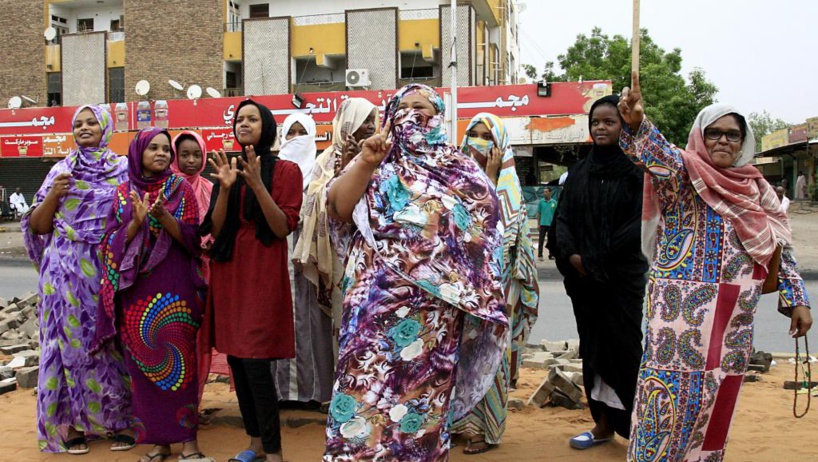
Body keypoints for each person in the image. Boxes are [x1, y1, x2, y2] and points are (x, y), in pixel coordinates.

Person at [619, 72, 813, 461]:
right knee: (668, 405)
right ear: (700, 136)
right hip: (679, 323)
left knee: (716, 405)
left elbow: (778, 249)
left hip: (733, 320)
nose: (723, 140)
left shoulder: (759, 190)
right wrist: (638, 123)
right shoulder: (682, 173)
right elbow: (652, 153)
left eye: (733, 134)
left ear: (744, 143)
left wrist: (797, 299)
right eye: (714, 132)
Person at [323, 84, 508, 461]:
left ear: (438, 116)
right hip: (372, 314)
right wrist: (366, 163)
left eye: (420, 107)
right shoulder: (376, 161)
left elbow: (483, 237)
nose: (411, 114)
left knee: (418, 408)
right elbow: (339, 208)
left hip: (431, 321)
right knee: (362, 403)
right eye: (402, 107)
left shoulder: (462, 173)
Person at [22, 105, 133, 455]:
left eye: (91, 123)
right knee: (64, 346)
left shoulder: (124, 170)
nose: (84, 128)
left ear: (106, 128)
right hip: (64, 273)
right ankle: (71, 428)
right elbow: (38, 225)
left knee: (109, 343)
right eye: (78, 124)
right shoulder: (61, 170)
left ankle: (118, 421)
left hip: (107, 269)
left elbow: (135, 218)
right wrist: (55, 194)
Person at [94, 128, 210, 462]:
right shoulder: (122, 193)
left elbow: (192, 240)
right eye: (154, 149)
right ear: (138, 152)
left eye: (165, 150)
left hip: (174, 291)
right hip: (136, 294)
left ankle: (189, 443)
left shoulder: (181, 189)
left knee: (181, 365)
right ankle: (159, 443)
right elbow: (108, 245)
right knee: (143, 370)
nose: (161, 154)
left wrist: (162, 217)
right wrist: (135, 223)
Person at [200, 99, 303, 462]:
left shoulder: (287, 170)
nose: (243, 124)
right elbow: (215, 227)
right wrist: (226, 188)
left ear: (267, 126)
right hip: (230, 271)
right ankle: (255, 445)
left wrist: (258, 184)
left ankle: (274, 453)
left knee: (257, 361)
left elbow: (281, 227)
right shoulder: (225, 167)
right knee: (239, 362)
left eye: (252, 119)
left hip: (261, 268)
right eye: (239, 119)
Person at [555, 95, 648, 450]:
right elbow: (563, 219)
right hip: (584, 283)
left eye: (609, 122)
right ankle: (603, 425)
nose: (601, 127)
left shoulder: (637, 172)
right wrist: (572, 254)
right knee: (594, 352)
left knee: (624, 351)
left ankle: (642, 432)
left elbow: (638, 226)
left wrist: (595, 259)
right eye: (596, 122)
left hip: (620, 281)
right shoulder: (579, 172)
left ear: (623, 127)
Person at [452, 112, 540, 454]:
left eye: (487, 137)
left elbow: (499, 237)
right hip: (461, 284)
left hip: (499, 286)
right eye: (473, 134)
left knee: (489, 357)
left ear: (500, 145)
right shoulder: (455, 178)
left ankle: (486, 430)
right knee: (460, 356)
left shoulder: (508, 186)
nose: (479, 142)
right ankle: (460, 423)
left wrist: (488, 180)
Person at [291, 98, 378, 366]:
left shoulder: (380, 157)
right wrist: (343, 176)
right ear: (348, 124)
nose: (371, 127)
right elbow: (317, 202)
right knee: (343, 324)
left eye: (373, 121)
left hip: (372, 257)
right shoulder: (326, 159)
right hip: (339, 258)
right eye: (365, 121)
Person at [271, 112, 334, 407]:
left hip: (312, 261)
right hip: (276, 257)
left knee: (314, 321)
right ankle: (282, 391)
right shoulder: (271, 172)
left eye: (302, 131)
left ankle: (317, 392)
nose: (297, 137)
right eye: (291, 132)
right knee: (279, 317)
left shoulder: (323, 173)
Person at [170, 131, 227, 409]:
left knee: (201, 340)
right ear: (174, 157)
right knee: (177, 339)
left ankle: (193, 404)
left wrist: (209, 243)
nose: (191, 161)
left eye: (196, 155)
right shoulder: (167, 188)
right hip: (176, 273)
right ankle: (175, 405)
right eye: (184, 155)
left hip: (207, 273)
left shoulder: (210, 186)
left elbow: (220, 224)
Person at [536, 188, 557, 261]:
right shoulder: (541, 202)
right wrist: (538, 224)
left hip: (551, 225)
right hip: (543, 224)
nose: (544, 193)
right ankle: (540, 255)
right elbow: (538, 213)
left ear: (550, 193)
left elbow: (556, 214)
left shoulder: (554, 202)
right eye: (544, 192)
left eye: (546, 192)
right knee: (541, 240)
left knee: (551, 240)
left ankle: (551, 254)